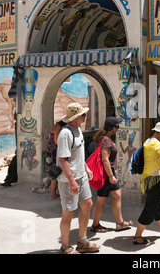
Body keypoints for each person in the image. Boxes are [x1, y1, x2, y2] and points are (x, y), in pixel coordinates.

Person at [57, 103, 99, 254]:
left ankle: (82, 241)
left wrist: (86, 167)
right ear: (76, 117)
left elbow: (77, 155)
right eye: (83, 114)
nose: (85, 116)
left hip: (81, 176)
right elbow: (63, 159)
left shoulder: (78, 130)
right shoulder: (65, 134)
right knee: (68, 212)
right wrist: (71, 181)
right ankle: (65, 246)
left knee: (87, 204)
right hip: (70, 179)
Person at [133, 122, 160, 244]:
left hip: (147, 178)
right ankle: (137, 236)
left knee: (159, 205)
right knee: (150, 208)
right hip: (155, 180)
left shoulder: (147, 141)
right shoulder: (158, 146)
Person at [91, 116, 133, 233]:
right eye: (116, 126)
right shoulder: (106, 141)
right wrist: (110, 176)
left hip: (108, 174)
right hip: (106, 175)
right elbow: (105, 160)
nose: (118, 129)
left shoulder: (106, 139)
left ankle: (119, 222)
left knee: (116, 195)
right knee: (102, 200)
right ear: (111, 128)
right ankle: (96, 225)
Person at [46, 120, 67, 199]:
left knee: (53, 171)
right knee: (56, 171)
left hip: (50, 150)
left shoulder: (54, 126)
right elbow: (56, 141)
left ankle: (53, 193)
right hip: (54, 151)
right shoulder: (59, 128)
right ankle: (53, 193)